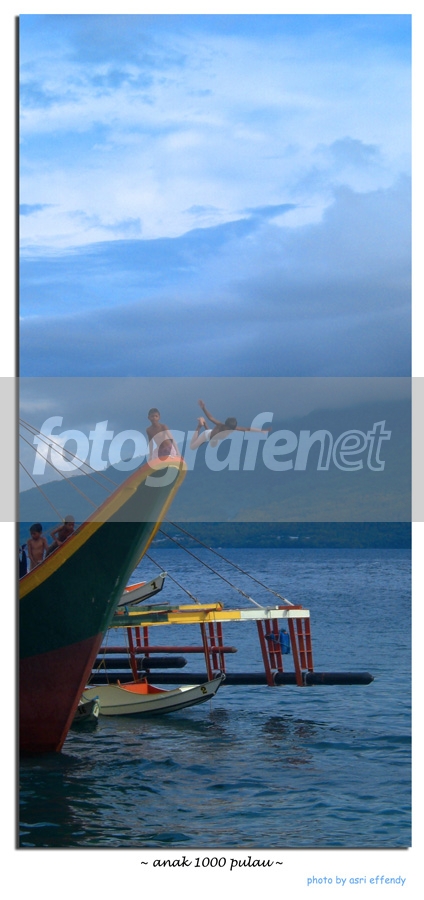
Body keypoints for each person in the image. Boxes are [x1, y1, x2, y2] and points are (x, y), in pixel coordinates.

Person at [190, 399, 271, 449]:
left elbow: (247, 429)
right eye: (228, 429)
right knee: (192, 447)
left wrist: (262, 431)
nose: (229, 431)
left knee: (213, 444)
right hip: (206, 435)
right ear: (225, 425)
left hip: (213, 438)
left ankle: (204, 423)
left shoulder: (233, 428)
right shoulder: (220, 425)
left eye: (231, 430)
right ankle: (200, 425)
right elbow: (211, 418)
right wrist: (203, 408)